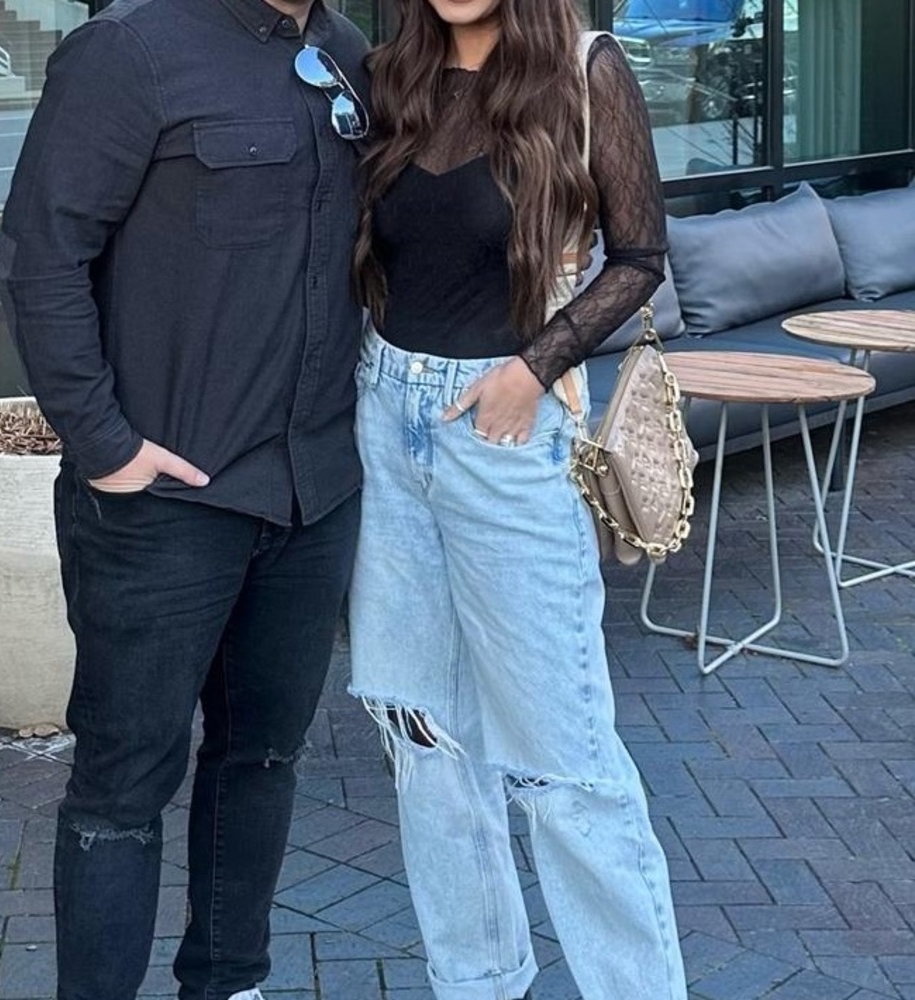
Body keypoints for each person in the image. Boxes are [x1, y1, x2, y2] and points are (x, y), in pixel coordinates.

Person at [0, 1, 369, 998]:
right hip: (163, 508)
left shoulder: (347, 54)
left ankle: (228, 981)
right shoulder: (128, 50)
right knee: (122, 787)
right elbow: (40, 256)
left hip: (311, 496)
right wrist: (106, 446)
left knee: (263, 758)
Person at [348, 2, 688, 999]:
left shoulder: (585, 71)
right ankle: (479, 981)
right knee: (422, 733)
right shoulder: (390, 74)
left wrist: (533, 368)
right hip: (385, 421)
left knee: (561, 756)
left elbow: (640, 257)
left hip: (502, 433)